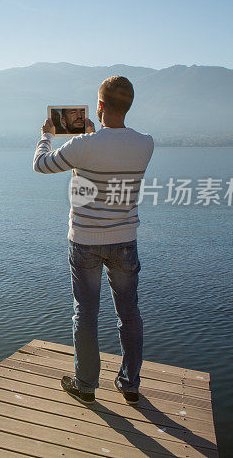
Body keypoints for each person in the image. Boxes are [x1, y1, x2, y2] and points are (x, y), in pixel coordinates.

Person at [32, 76, 154, 405]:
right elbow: (110, 156)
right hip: (125, 240)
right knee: (129, 313)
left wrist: (47, 134)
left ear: (98, 106)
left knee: (85, 314)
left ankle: (85, 384)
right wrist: (90, 137)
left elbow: (41, 165)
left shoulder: (81, 147)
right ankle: (129, 383)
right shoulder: (146, 144)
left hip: (84, 241)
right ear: (129, 105)